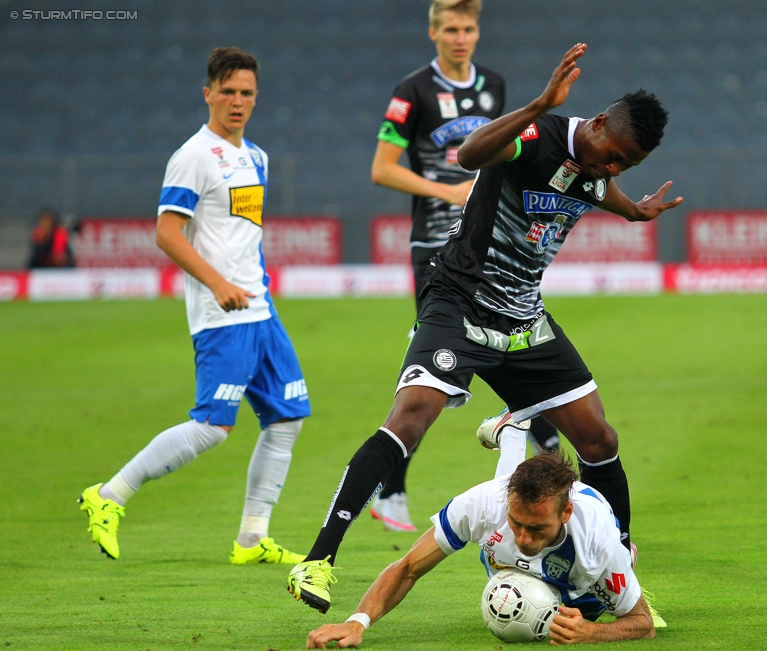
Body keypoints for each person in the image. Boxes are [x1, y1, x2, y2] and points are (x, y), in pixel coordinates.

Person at [286, 42, 682, 616]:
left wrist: (634, 210)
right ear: (596, 125)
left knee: (599, 439)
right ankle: (319, 559)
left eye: (627, 165)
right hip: (461, 302)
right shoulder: (536, 135)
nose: (614, 168)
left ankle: (615, 560)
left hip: (524, 318)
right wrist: (538, 104)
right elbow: (472, 154)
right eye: (614, 154)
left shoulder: (598, 168)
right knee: (410, 417)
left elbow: (599, 190)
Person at [78, 47, 311, 564]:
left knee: (287, 417)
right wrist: (218, 282)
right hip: (221, 314)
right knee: (212, 426)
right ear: (207, 93)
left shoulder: (258, 156)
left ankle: (251, 539)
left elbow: (243, 235)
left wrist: (258, 285)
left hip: (260, 311)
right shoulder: (194, 155)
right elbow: (167, 232)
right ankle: (108, 495)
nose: (237, 101)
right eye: (227, 91)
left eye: (246, 92)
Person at [368, 0, 558, 533]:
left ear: (478, 32)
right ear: (433, 33)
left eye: (468, 28)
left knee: (515, 346)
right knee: (431, 373)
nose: (460, 37)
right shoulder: (413, 92)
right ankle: (393, 487)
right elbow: (382, 169)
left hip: (489, 243)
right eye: (450, 28)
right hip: (435, 248)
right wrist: (446, 191)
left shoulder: (493, 86)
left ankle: (544, 457)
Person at [304, 434, 665, 648]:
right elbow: (408, 568)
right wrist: (357, 621)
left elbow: (642, 623)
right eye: (516, 522)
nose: (523, 537)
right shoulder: (481, 504)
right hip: (503, 562)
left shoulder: (596, 540)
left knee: (609, 586)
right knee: (501, 533)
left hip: (579, 588)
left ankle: (627, 558)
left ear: (565, 513)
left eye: (537, 529)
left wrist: (591, 632)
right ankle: (512, 432)